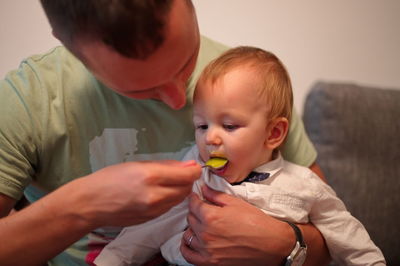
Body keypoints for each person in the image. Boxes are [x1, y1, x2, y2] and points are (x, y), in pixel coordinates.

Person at [0, 1, 330, 265]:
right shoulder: (29, 99)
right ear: (71, 46)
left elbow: (330, 237)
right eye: (143, 89)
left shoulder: (248, 85)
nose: (177, 100)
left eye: (186, 62)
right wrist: (86, 203)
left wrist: (284, 243)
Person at [94, 46, 386, 266]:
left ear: (273, 134)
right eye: (201, 125)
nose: (210, 138)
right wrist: (113, 258)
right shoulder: (198, 179)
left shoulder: (304, 185)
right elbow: (154, 225)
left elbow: (343, 229)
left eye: (230, 126)